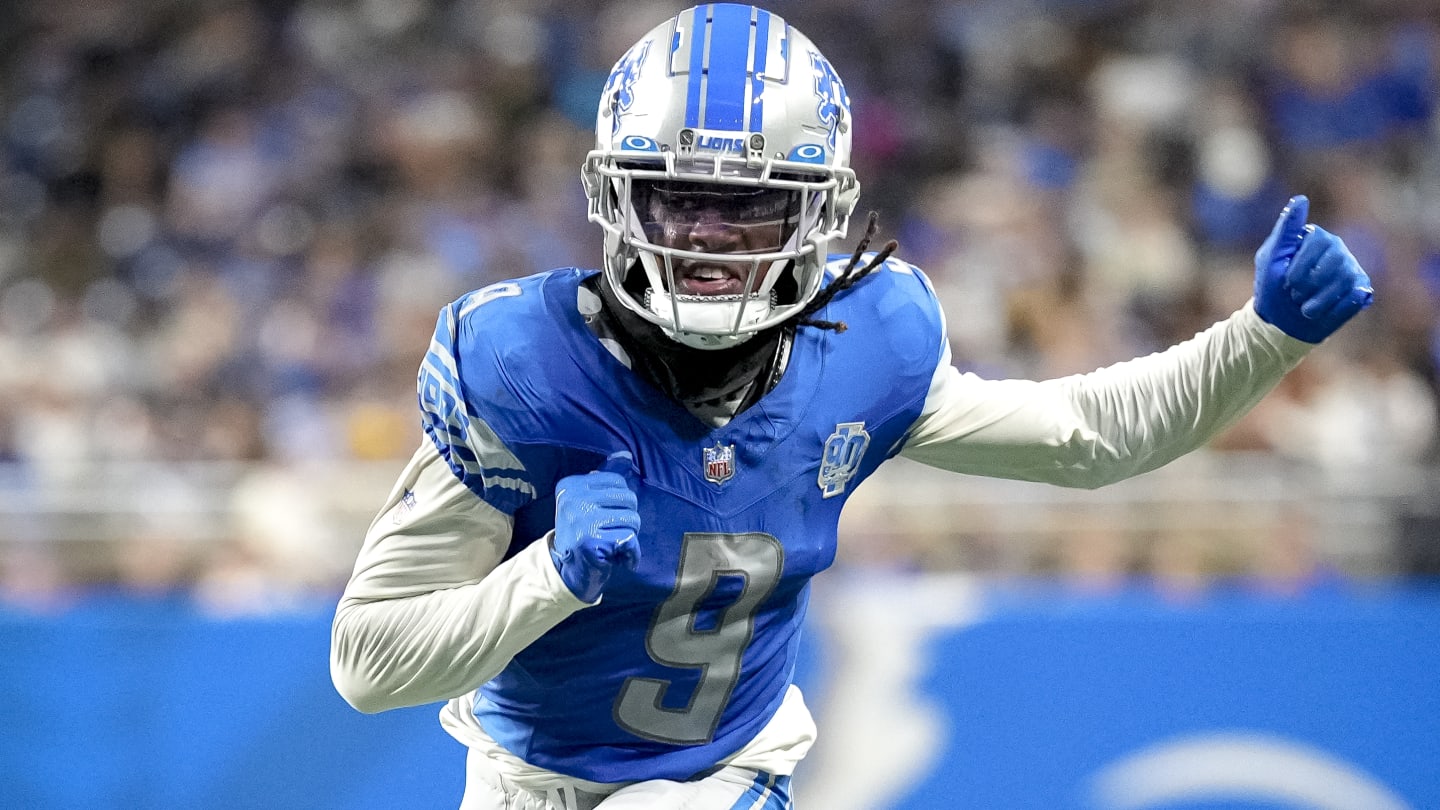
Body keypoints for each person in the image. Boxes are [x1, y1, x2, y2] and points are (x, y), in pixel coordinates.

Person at [329, 4, 1373, 808]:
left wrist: (1260, 339)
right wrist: (546, 578)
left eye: (749, 207)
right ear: (614, 196)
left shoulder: (866, 344)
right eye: (679, 197)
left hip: (719, 769)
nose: (707, 238)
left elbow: (1083, 439)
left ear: (819, 212)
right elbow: (369, 667)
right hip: (522, 771)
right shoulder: (520, 369)